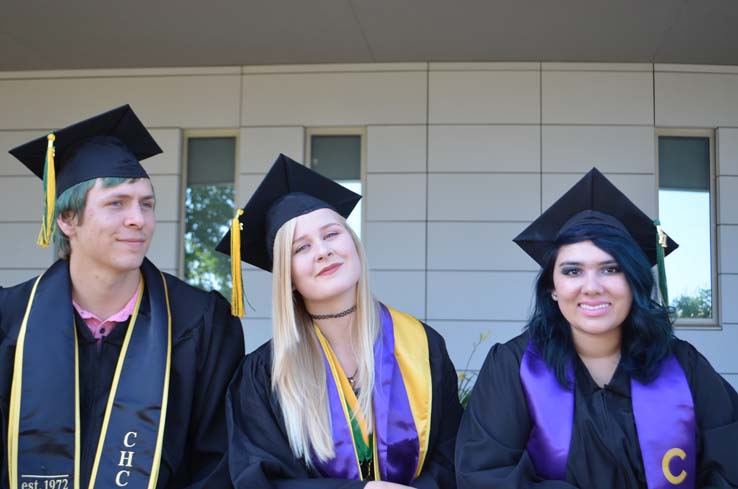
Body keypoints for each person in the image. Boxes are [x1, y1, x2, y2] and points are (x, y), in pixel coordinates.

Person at [0, 105, 245, 489]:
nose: (138, 219)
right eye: (117, 203)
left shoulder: (201, 322)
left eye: (146, 204)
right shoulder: (10, 318)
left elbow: (219, 464)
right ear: (67, 220)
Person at [455, 168, 738, 488]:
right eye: (573, 271)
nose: (591, 287)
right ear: (552, 287)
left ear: (634, 281)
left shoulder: (684, 366)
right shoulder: (514, 367)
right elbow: (484, 476)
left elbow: (729, 468)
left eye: (611, 269)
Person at [219, 154, 462, 488]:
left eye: (331, 234)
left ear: (354, 244)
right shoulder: (266, 374)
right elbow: (260, 480)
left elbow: (453, 455)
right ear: (286, 277)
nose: (322, 251)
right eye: (301, 248)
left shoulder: (422, 344)